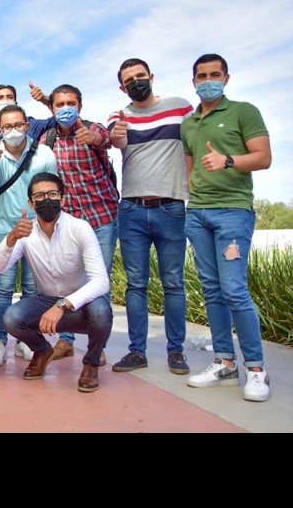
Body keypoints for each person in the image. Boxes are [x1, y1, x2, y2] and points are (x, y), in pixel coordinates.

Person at [181, 53, 272, 402]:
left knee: (234, 289)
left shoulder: (243, 111)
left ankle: (256, 368)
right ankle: (224, 361)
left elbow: (263, 158)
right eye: (202, 76)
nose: (208, 81)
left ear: (226, 78)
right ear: (194, 81)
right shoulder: (189, 124)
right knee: (212, 290)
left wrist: (228, 160)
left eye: (215, 74)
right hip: (198, 214)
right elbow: (190, 168)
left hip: (233, 211)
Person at [107, 58, 193, 376]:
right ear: (122, 87)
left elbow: (194, 147)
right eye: (129, 80)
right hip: (132, 209)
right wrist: (118, 135)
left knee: (173, 283)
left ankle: (176, 351)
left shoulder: (180, 108)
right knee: (136, 285)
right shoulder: (119, 116)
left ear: (151, 76)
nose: (136, 82)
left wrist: (192, 188)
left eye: (140, 76)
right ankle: (137, 351)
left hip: (172, 207)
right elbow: (117, 143)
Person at [0, 172, 112, 392]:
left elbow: (101, 282)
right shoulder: (25, 233)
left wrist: (62, 305)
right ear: (31, 203)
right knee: (11, 317)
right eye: (40, 196)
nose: (47, 199)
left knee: (102, 311)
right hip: (46, 302)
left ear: (62, 198)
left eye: (53, 194)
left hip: (81, 305)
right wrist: (10, 239)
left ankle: (91, 364)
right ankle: (42, 351)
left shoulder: (80, 228)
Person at [41, 84, 118, 365]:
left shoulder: (92, 128)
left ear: (80, 106)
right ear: (52, 109)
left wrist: (95, 138)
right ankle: (66, 341)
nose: (65, 109)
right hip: (70, 222)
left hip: (102, 217)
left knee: (100, 283)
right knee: (69, 282)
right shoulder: (48, 139)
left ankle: (98, 346)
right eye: (60, 105)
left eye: (71, 103)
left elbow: (107, 139)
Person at [0, 104, 58, 367]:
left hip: (37, 228)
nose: (13, 131)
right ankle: (0, 340)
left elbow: (50, 190)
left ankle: (26, 339)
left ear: (27, 125)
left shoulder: (44, 153)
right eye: (7, 126)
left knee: (32, 288)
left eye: (18, 125)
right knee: (2, 288)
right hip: (5, 228)